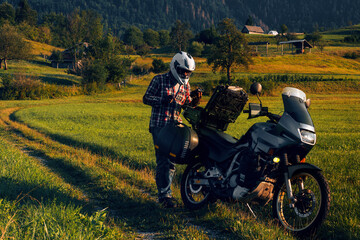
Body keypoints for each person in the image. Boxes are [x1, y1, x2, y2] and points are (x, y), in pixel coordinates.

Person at [143, 51, 202, 208]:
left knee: (174, 159)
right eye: (183, 70)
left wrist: (195, 99)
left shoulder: (185, 85)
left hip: (176, 125)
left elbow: (187, 104)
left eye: (188, 72)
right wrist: (162, 100)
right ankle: (164, 196)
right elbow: (146, 98)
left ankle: (169, 193)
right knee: (164, 160)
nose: (185, 74)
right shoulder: (159, 80)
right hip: (159, 125)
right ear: (175, 67)